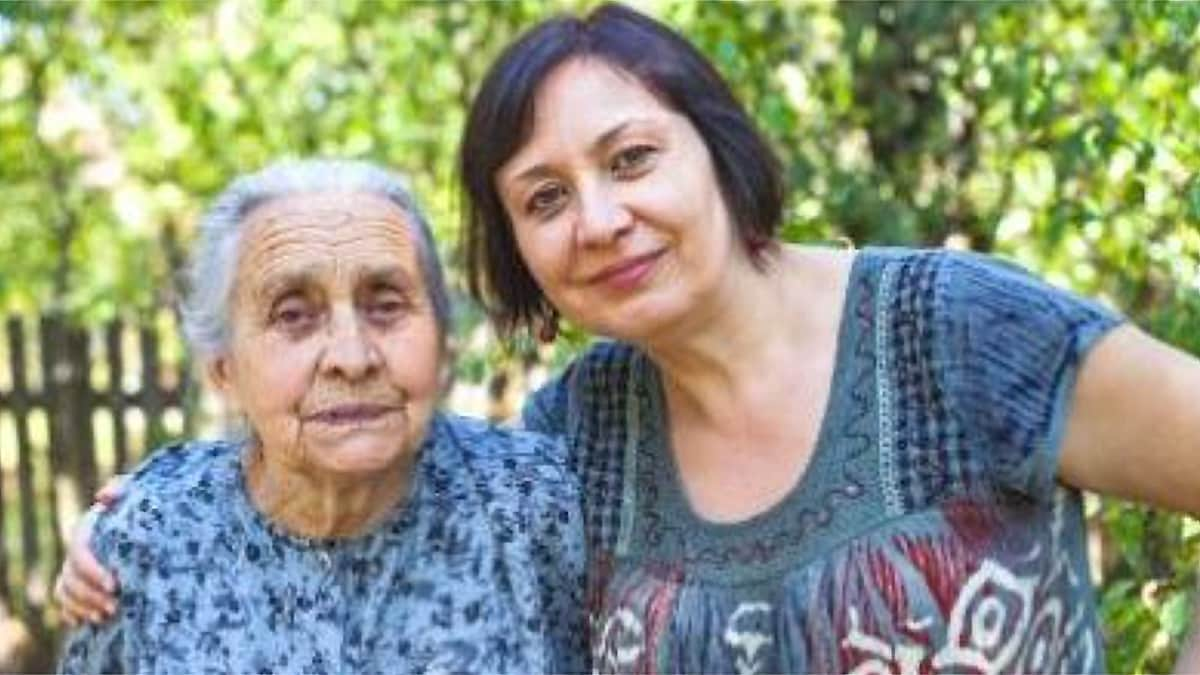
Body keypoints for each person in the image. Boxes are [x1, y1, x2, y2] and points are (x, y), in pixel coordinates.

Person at [59, 4, 1200, 673]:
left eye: (632, 159)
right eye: (543, 198)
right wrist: (143, 516)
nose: (599, 220)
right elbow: (375, 476)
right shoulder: (582, 437)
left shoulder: (956, 335)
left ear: (718, 148)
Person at [56, 159, 585, 673]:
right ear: (224, 370)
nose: (352, 359)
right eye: (293, 315)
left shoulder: (536, 500)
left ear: (443, 342)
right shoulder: (147, 538)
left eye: (387, 305)